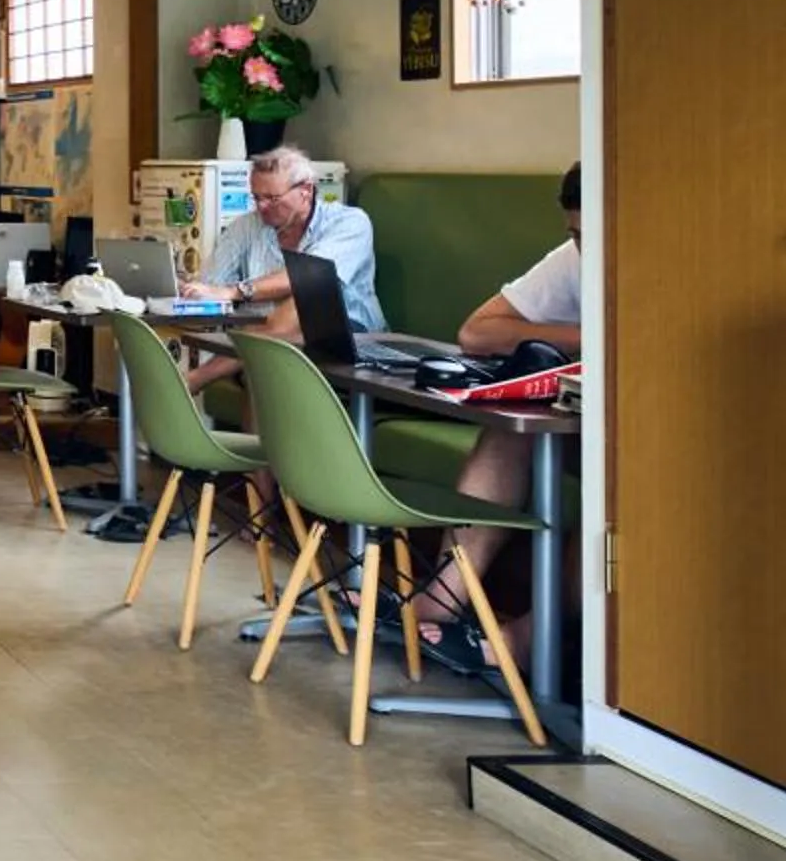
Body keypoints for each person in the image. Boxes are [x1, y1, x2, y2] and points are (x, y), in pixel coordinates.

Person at [412, 163, 582, 665]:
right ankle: (442, 601)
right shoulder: (576, 255)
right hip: (581, 422)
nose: (589, 250)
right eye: (577, 234)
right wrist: (589, 335)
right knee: (507, 433)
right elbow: (477, 333)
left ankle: (529, 639)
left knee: (616, 493)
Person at [178, 145, 381, 386]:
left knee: (305, 299)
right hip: (272, 337)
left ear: (305, 190)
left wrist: (236, 291)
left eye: (272, 198)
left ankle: (195, 379)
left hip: (353, 339)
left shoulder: (350, 223)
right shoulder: (248, 225)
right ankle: (196, 379)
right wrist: (190, 289)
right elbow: (212, 285)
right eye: (256, 197)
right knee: (264, 364)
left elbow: (309, 277)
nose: (261, 207)